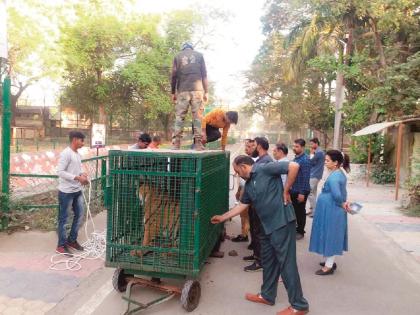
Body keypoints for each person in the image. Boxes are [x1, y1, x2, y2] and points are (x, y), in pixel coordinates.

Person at [211, 155, 309, 315]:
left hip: (281, 222)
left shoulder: (266, 168)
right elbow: (242, 205)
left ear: (243, 166)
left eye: (236, 171)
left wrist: (286, 190)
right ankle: (267, 295)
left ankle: (299, 305)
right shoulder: (249, 185)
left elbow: (294, 166)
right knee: (268, 261)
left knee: (286, 263)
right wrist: (223, 217)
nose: (236, 174)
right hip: (266, 227)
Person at [309, 150, 351, 275]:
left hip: (332, 208)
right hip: (331, 208)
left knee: (331, 235)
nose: (325, 163)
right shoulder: (337, 173)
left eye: (327, 161)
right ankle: (329, 261)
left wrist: (342, 203)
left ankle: (328, 266)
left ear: (336, 163)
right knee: (330, 234)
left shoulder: (335, 176)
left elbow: (337, 195)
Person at [56, 131, 89, 255]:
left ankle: (72, 240)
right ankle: (61, 245)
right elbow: (60, 171)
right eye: (82, 140)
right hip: (66, 192)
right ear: (75, 139)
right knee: (64, 219)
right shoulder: (66, 154)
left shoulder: (78, 155)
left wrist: (82, 174)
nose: (83, 143)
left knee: (80, 215)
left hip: (77, 190)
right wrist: (77, 177)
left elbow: (78, 169)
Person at [171, 42, 208, 150]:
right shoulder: (200, 55)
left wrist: (173, 92)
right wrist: (206, 92)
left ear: (183, 48)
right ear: (192, 48)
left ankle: (176, 144)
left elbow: (173, 75)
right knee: (197, 118)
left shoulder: (177, 56)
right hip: (198, 91)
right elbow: (204, 75)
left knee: (179, 117)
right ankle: (198, 144)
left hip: (182, 91)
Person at [243, 137, 273, 272]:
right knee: (255, 231)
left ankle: (260, 261)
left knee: (260, 233)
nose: (250, 147)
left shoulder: (266, 162)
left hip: (261, 204)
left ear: (259, 146)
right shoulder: (261, 160)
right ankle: (256, 255)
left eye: (253, 145)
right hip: (256, 203)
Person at [231, 139, 255, 243]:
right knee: (243, 216)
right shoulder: (246, 159)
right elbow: (241, 180)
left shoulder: (254, 163)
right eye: (246, 146)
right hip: (243, 191)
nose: (246, 148)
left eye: (249, 146)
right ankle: (244, 234)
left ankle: (249, 238)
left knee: (248, 217)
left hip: (248, 193)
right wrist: (239, 190)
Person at [290, 139, 311, 240]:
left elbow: (306, 177)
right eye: (294, 146)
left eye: (297, 146)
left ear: (303, 148)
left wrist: (302, 193)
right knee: (295, 211)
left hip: (301, 190)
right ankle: (297, 228)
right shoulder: (296, 158)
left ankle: (300, 231)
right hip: (294, 189)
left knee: (300, 212)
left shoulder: (305, 160)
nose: (294, 148)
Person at [307, 138, 325, 217]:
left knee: (309, 192)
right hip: (316, 174)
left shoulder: (318, 152)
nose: (310, 145)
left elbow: (310, 162)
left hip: (314, 175)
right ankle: (312, 210)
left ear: (316, 143)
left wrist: (311, 154)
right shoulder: (318, 151)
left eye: (312, 144)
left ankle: (314, 211)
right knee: (313, 192)